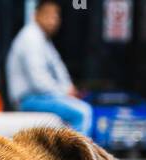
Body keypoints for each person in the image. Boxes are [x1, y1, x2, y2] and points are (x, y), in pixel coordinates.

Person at [6, 1, 93, 136]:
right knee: (82, 112)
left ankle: (68, 154)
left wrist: (68, 88)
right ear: (36, 15)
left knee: (82, 105)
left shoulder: (43, 38)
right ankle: (73, 156)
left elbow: (59, 67)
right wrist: (65, 92)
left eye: (56, 16)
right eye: (48, 15)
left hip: (41, 97)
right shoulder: (31, 37)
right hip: (28, 100)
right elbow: (39, 82)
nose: (53, 20)